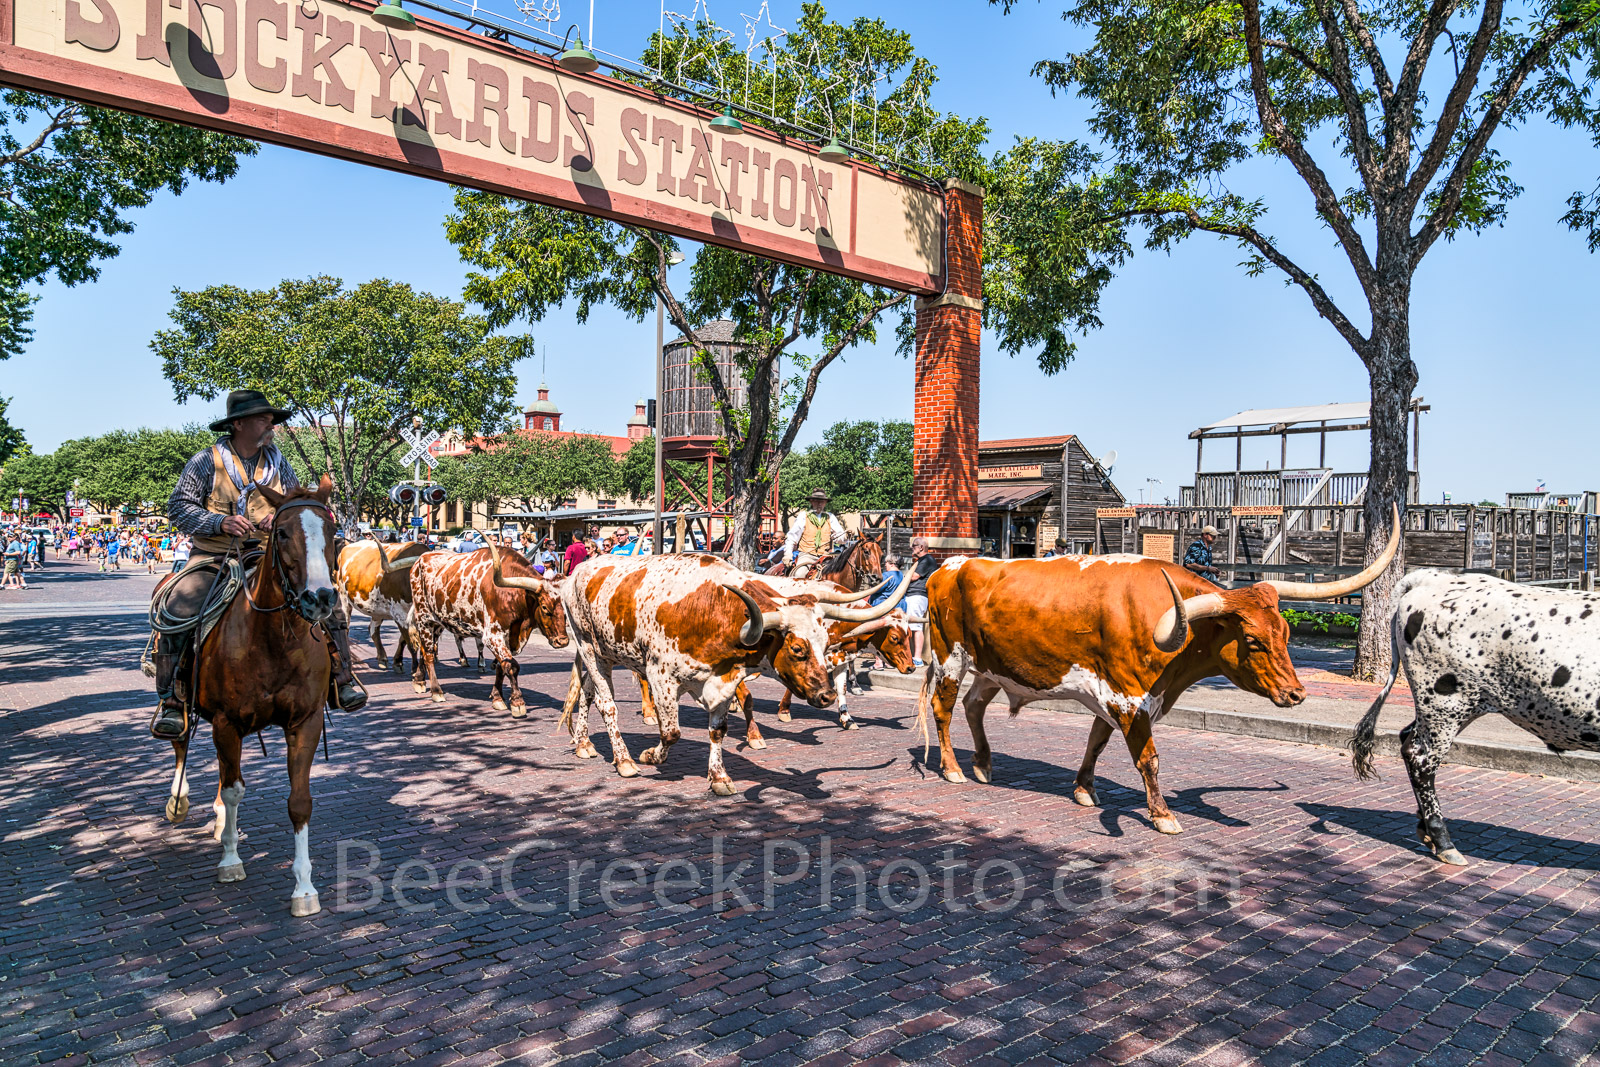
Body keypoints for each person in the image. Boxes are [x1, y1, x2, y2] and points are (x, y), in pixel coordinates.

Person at [150, 388, 366, 740]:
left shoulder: (279, 461)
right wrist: (219, 523)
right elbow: (179, 507)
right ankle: (173, 699)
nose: (271, 426)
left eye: (271, 420)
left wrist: (278, 519)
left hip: (270, 553)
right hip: (215, 553)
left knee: (328, 601)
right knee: (179, 602)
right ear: (238, 424)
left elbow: (295, 504)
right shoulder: (206, 461)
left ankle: (342, 679)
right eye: (264, 419)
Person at [783, 488, 848, 578]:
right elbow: (792, 537)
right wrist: (788, 554)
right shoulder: (803, 516)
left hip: (826, 557)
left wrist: (844, 536)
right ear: (811, 502)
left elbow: (840, 538)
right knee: (799, 574)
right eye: (817, 501)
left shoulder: (830, 517)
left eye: (822, 502)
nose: (819, 504)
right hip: (807, 555)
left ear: (825, 503)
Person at [903, 536, 937, 667]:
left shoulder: (927, 560)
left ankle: (917, 658)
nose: (912, 548)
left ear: (921, 547)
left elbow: (914, 576)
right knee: (912, 626)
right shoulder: (921, 560)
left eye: (914, 545)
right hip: (914, 596)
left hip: (918, 596)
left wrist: (903, 577)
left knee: (915, 627)